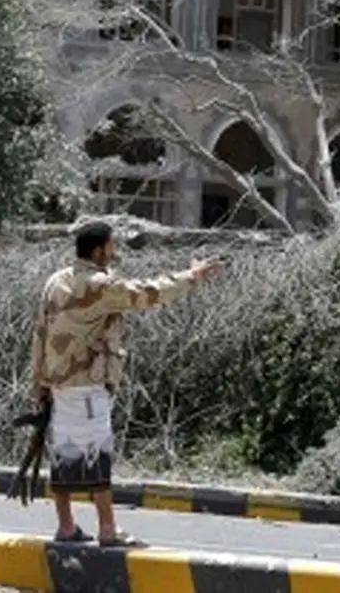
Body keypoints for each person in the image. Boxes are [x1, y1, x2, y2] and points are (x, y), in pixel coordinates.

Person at [28, 219, 222, 547]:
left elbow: (40, 333)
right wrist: (192, 276)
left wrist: (40, 382)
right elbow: (149, 294)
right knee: (97, 454)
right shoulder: (101, 285)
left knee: (63, 456)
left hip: (58, 384)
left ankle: (66, 527)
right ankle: (108, 529)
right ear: (99, 249)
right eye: (111, 246)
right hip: (88, 384)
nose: (114, 251)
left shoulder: (55, 281)